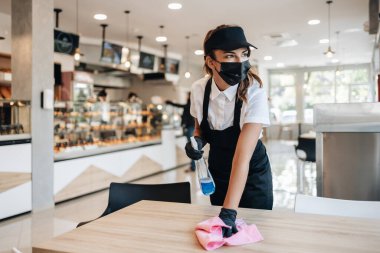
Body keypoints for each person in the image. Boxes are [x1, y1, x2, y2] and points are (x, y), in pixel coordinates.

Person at [185, 25, 273, 238]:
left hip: (251, 173)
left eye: (244, 54)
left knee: (250, 235)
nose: (240, 62)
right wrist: (197, 141)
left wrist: (229, 211)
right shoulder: (198, 89)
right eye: (230, 55)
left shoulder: (255, 90)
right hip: (219, 172)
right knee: (223, 238)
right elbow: (200, 128)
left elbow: (242, 159)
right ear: (210, 61)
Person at [166, 92, 195, 172]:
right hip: (190, 128)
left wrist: (170, 103)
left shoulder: (190, 104)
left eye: (187, 95)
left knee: (191, 148)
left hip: (190, 128)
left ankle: (193, 167)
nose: (186, 97)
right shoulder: (191, 105)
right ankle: (193, 166)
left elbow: (180, 106)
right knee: (192, 147)